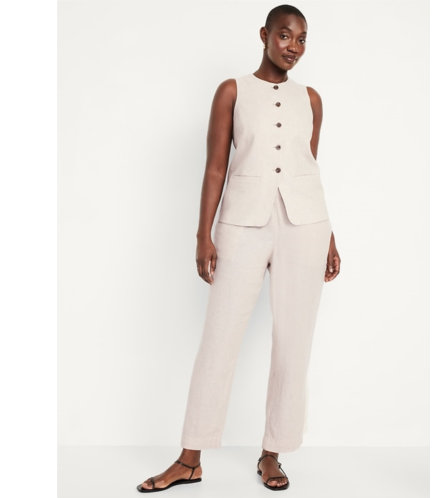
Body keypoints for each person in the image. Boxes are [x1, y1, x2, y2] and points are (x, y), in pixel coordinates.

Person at [137, 4, 341, 493]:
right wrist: (202, 234)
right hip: (241, 224)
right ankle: (189, 459)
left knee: (293, 342)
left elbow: (308, 168)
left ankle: (272, 454)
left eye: (302, 39)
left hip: (305, 227)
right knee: (220, 339)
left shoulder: (311, 99)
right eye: (285, 35)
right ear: (264, 35)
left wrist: (330, 234)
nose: (294, 47)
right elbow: (215, 167)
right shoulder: (232, 90)